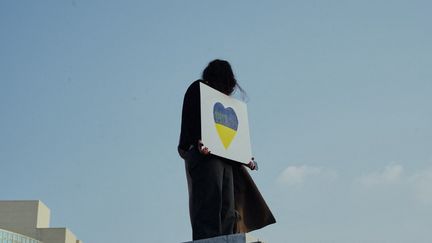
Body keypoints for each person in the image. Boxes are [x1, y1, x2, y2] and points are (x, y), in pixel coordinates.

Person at [178, 59, 276, 241]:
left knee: (228, 205)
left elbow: (230, 135)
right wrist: (197, 143)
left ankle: (226, 237)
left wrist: (243, 156)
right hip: (205, 157)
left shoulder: (222, 101)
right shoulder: (198, 88)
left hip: (223, 158)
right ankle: (208, 238)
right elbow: (192, 123)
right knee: (209, 201)